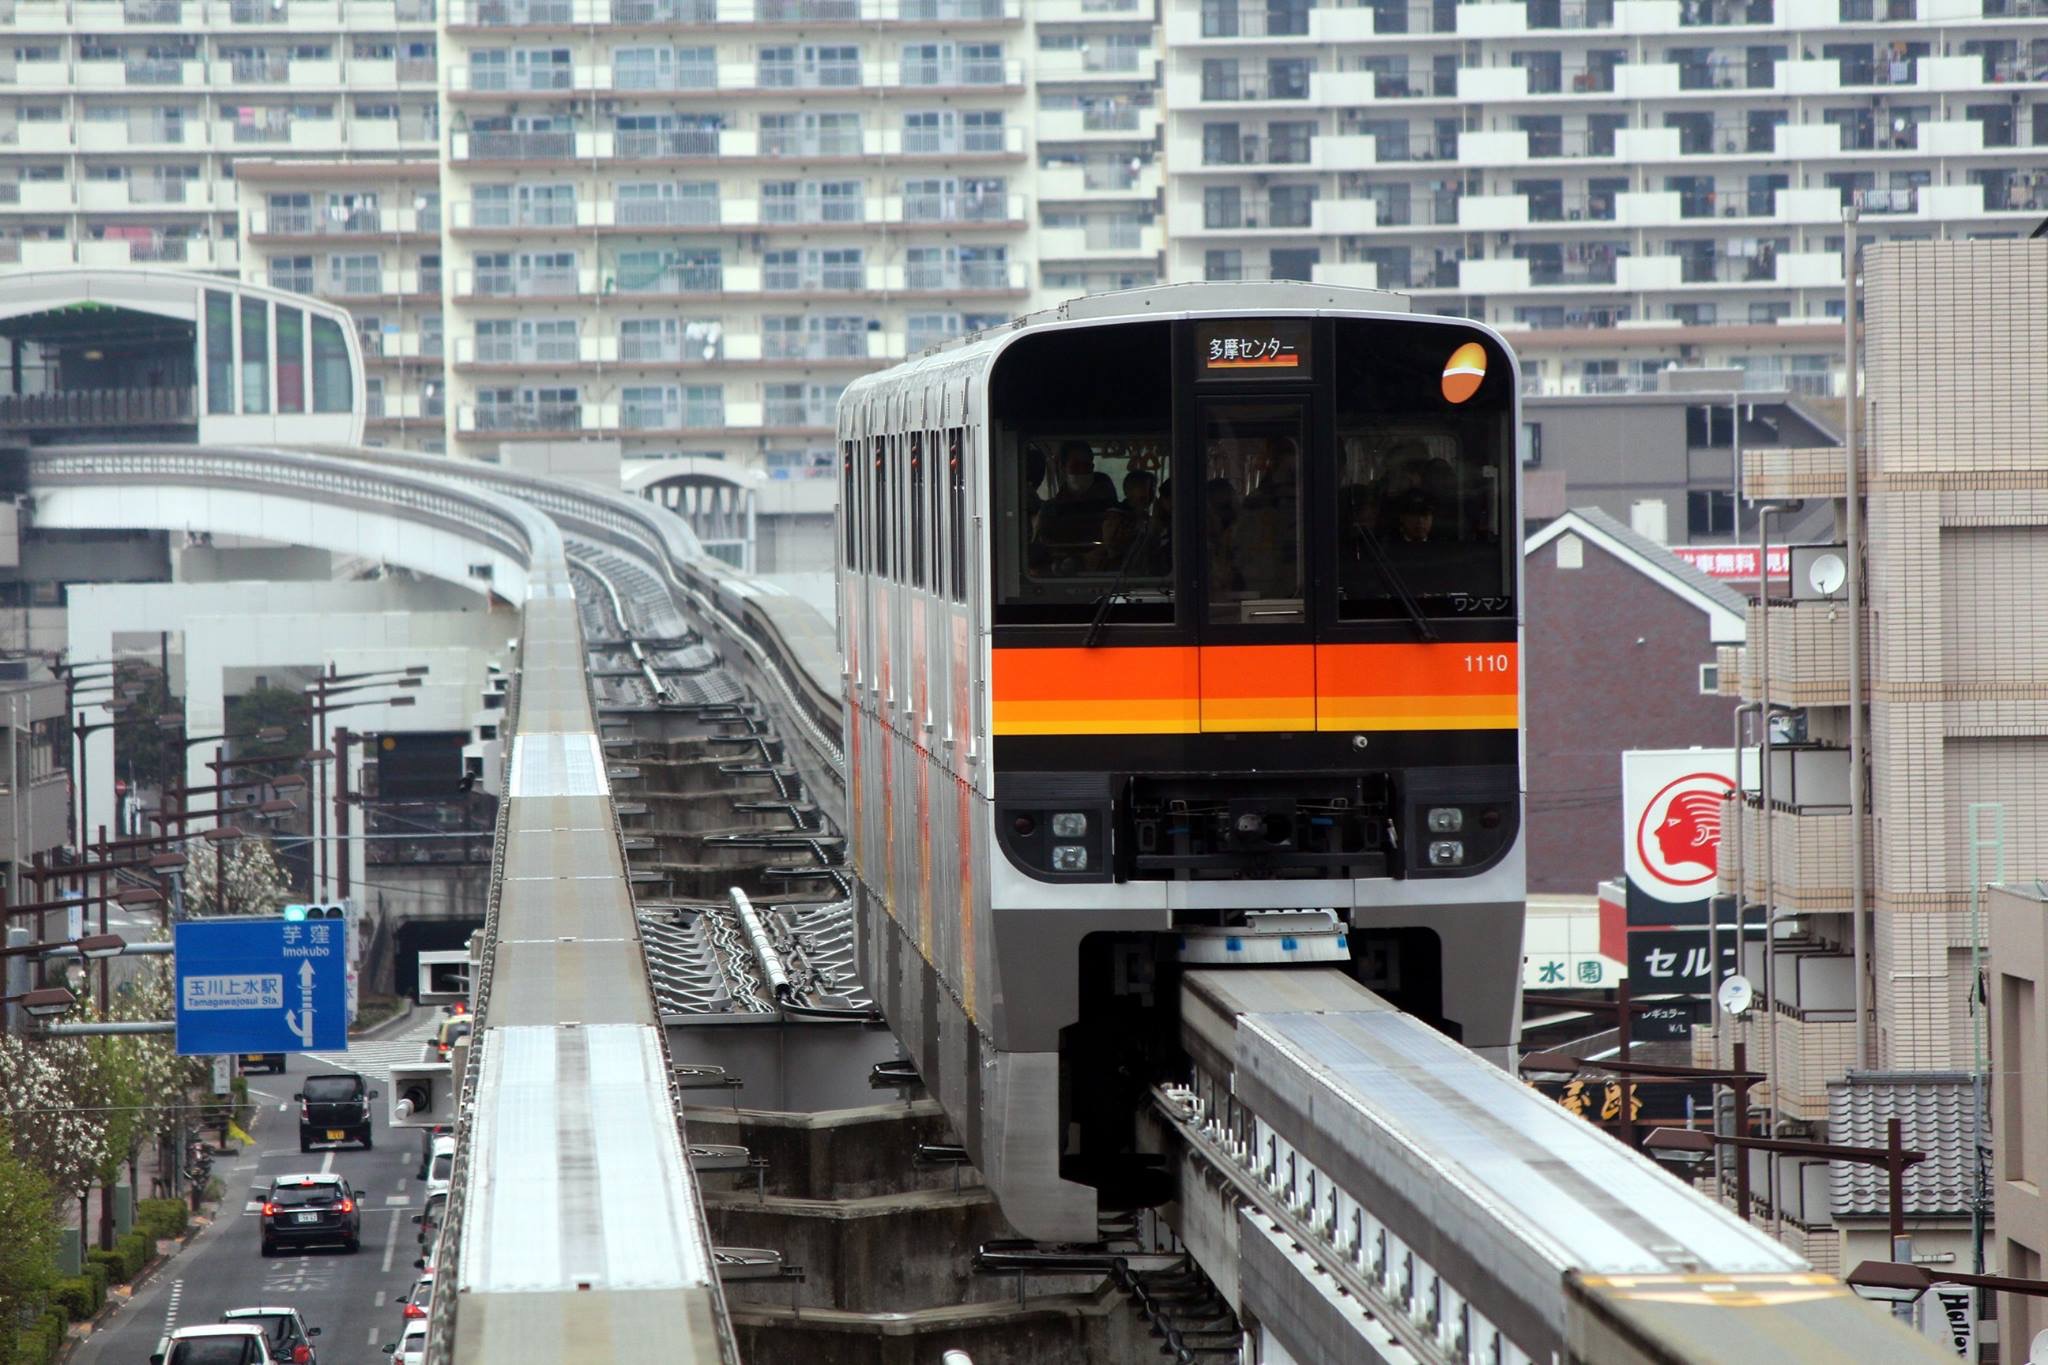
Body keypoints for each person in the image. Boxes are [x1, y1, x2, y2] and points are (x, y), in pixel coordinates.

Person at [1032, 441, 1118, 573]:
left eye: (1087, 466)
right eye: (1075, 466)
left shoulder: (1113, 511)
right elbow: (1039, 558)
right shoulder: (1050, 511)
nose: (1082, 471)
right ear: (1063, 468)